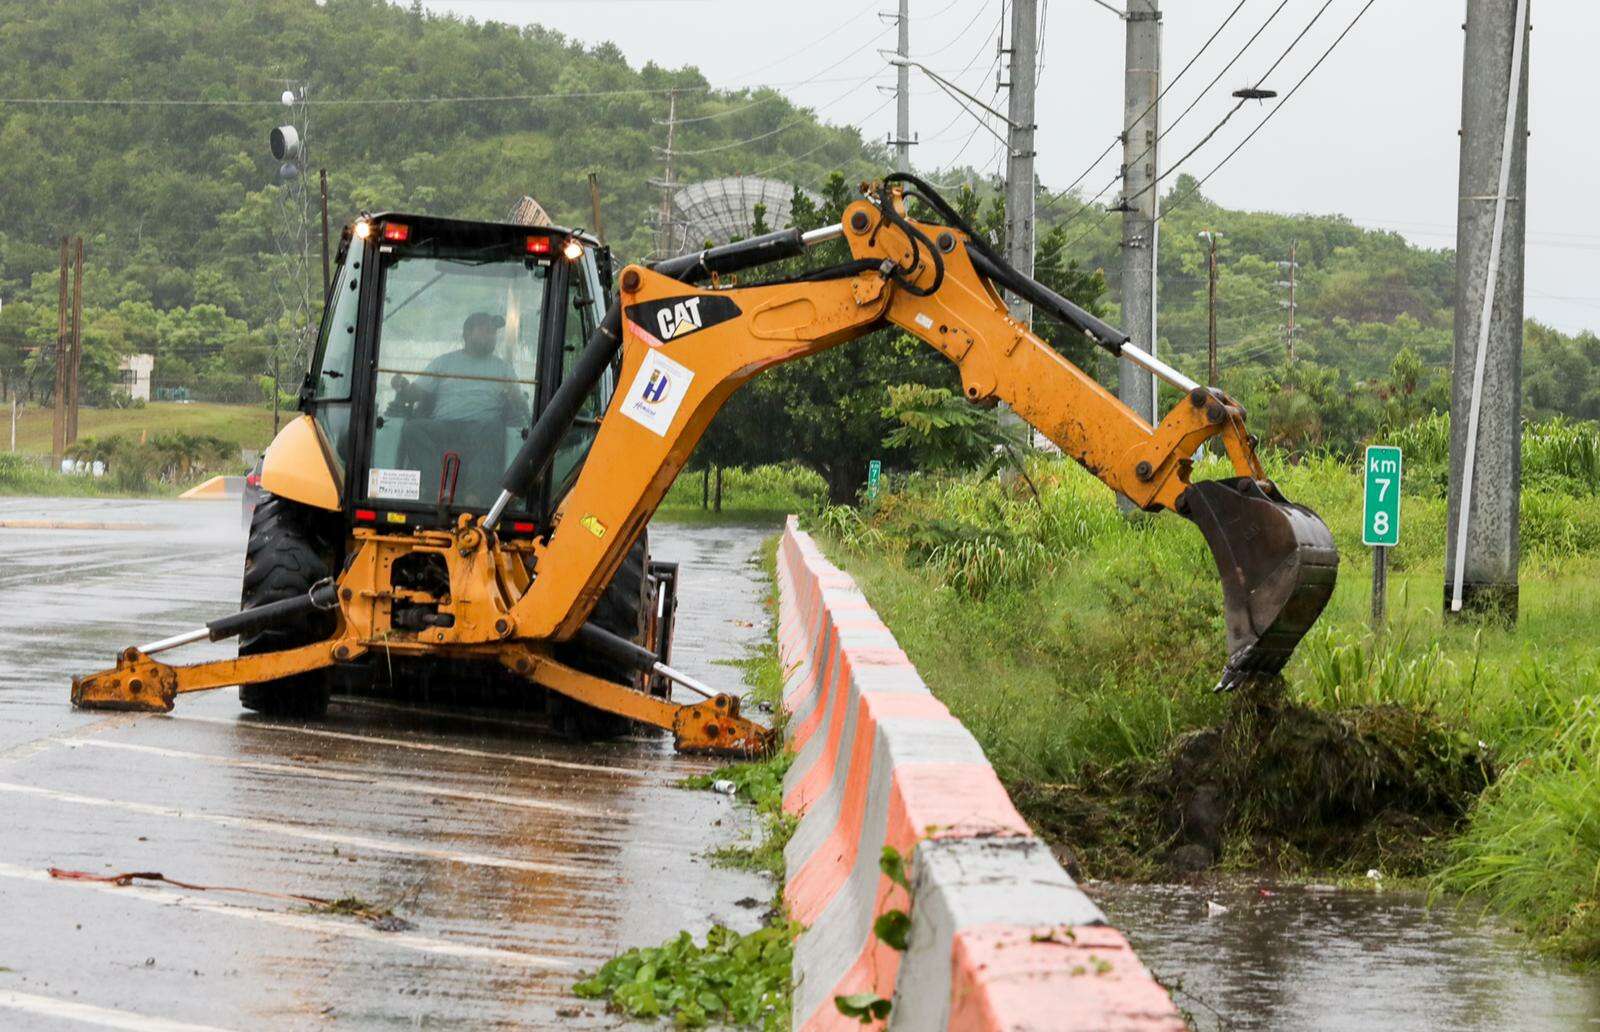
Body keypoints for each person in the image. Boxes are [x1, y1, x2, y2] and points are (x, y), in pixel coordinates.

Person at [391, 312, 527, 424]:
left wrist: (516, 397)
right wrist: (402, 385)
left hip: (486, 433)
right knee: (413, 429)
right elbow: (415, 393)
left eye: (493, 332)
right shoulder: (443, 363)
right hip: (442, 429)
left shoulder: (503, 369)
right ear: (467, 333)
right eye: (485, 331)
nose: (491, 336)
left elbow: (520, 404)